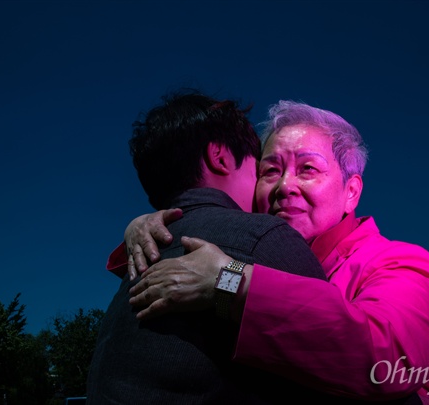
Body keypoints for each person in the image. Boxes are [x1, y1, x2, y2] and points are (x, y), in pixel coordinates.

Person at [119, 100, 429, 403]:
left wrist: (230, 283)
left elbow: (389, 358)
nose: (284, 186)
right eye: (270, 171)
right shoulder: (251, 247)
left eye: (307, 169)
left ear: (351, 191)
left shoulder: (400, 262)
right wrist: (159, 225)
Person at [86, 91, 336, 404]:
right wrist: (229, 278)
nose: (274, 190)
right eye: (261, 169)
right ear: (220, 157)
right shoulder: (263, 238)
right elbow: (342, 355)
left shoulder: (137, 260)